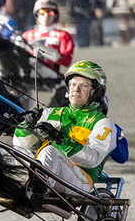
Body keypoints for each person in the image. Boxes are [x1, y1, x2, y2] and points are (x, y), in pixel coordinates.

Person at [13, 60, 116, 202]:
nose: (76, 89)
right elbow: (20, 146)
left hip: (81, 180)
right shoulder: (50, 113)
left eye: (84, 85)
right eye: (73, 84)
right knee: (3, 152)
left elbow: (93, 159)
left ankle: (37, 189)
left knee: (50, 152)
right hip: (47, 172)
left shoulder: (104, 123)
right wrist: (28, 126)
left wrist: (59, 138)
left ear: (97, 92)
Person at [22, 0, 74, 80]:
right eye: (42, 12)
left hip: (53, 77)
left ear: (56, 16)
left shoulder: (63, 35)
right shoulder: (27, 35)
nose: (46, 15)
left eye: (51, 12)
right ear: (37, 15)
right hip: (28, 75)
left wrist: (45, 52)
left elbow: (66, 61)